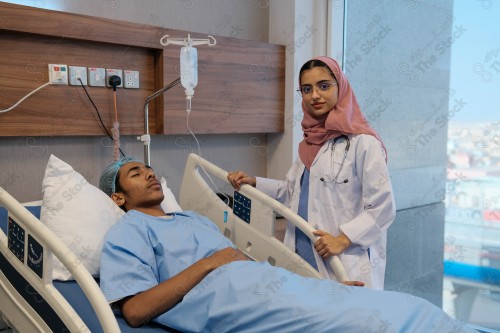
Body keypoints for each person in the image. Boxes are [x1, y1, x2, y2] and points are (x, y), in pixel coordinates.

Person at [98, 157, 474, 332]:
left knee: (405, 307)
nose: (149, 173)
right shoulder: (129, 230)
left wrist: (321, 288)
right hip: (231, 302)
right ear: (118, 198)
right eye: (136, 173)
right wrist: (212, 264)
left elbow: (243, 265)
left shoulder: (192, 218)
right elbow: (135, 310)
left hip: (269, 288)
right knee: (375, 325)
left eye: (149, 169)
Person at [227, 56, 395, 290]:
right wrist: (253, 182)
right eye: (307, 89)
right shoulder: (308, 143)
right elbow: (291, 192)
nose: (315, 95)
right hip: (301, 256)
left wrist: (343, 239)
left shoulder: (363, 143)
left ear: (341, 86)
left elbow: (383, 207)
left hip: (344, 261)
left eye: (324, 86)